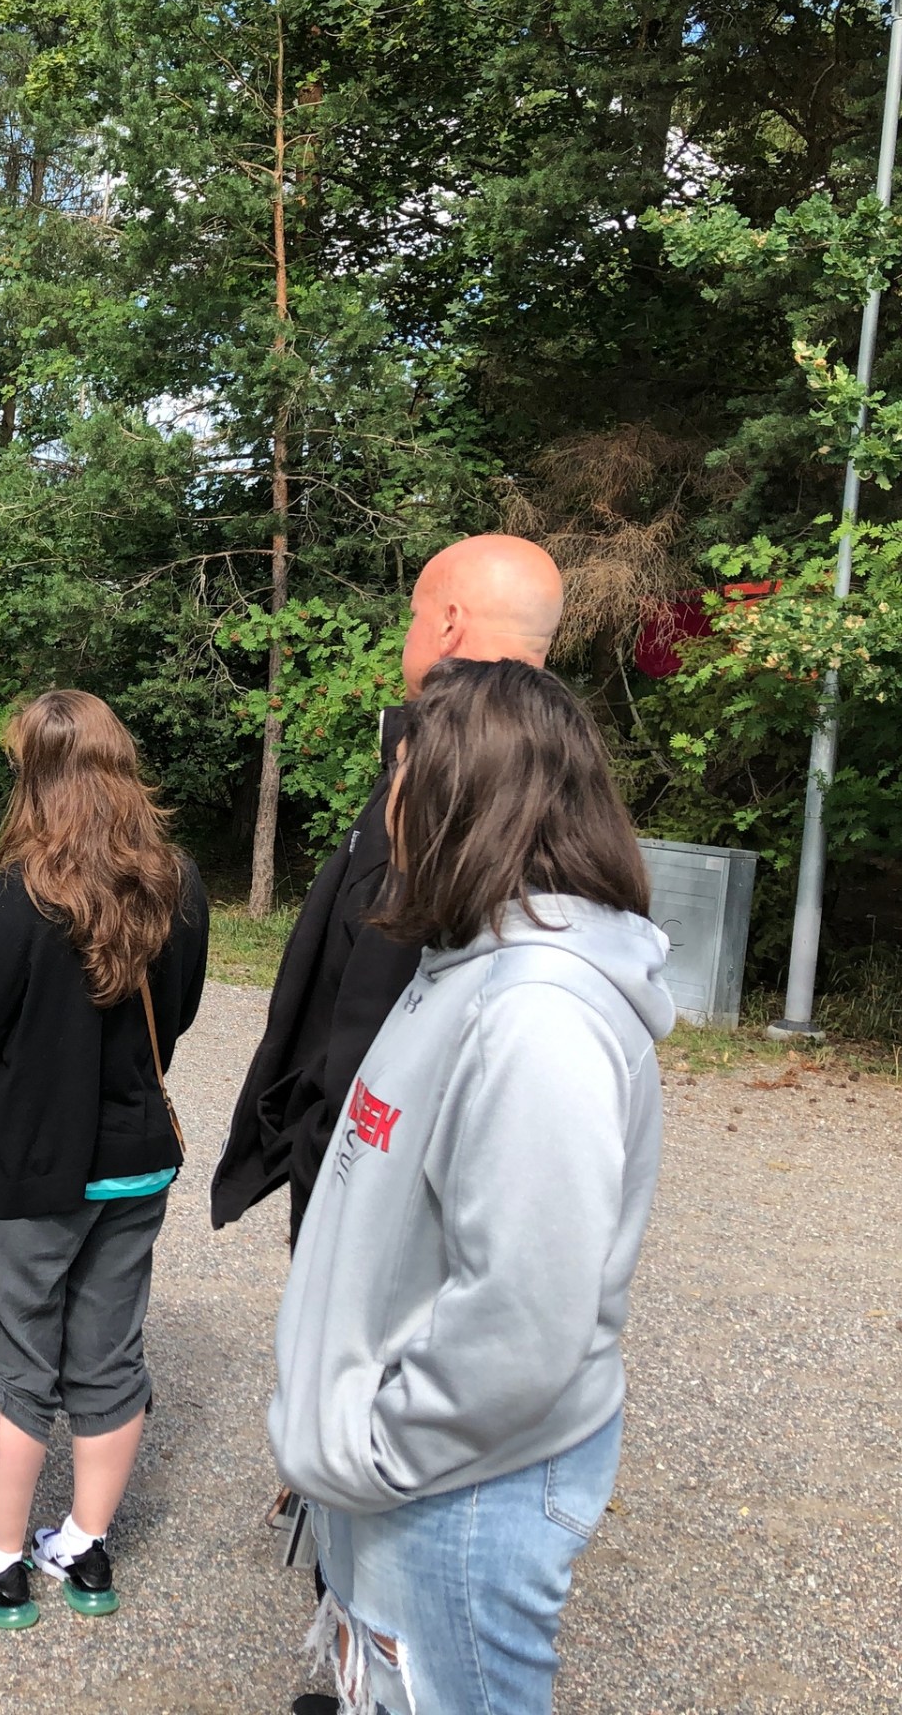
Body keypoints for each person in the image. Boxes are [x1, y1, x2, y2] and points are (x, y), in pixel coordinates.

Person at [271, 659, 673, 1715]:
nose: (384, 807)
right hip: (414, 1478)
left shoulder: (538, 1018)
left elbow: (524, 1314)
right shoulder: (465, 968)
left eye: (398, 778)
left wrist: (372, 1447)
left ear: (454, 797)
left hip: (455, 1487)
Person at [0, 690, 209, 1630]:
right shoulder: (177, 881)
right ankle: (85, 1550)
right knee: (110, 1357)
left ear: (36, 776)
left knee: (16, 1364)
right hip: (135, 1164)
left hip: (30, 1170)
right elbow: (185, 1011)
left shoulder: (27, 890)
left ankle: (1, 1567)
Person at [212, 535, 565, 1249]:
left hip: (372, 1172)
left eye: (413, 614)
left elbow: (380, 988)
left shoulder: (449, 786)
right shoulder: (555, 776)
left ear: (448, 624)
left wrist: (321, 1138)